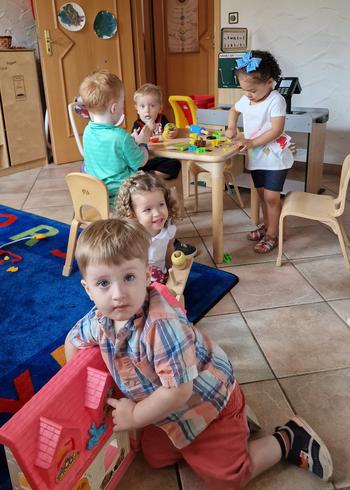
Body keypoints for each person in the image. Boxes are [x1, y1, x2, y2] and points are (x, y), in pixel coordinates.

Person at [65, 218, 333, 489]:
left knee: (227, 478)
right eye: (103, 283)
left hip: (207, 403)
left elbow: (178, 391)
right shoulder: (99, 319)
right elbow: (73, 341)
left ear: (147, 275)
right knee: (155, 458)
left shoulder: (161, 325)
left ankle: (288, 439)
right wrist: (77, 388)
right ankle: (239, 425)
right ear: (88, 289)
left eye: (129, 277)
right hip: (172, 411)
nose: (118, 294)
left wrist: (135, 417)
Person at [225, 51, 294, 253]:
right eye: (244, 90)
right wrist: (231, 127)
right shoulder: (246, 100)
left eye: (252, 90)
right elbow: (233, 110)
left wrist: (252, 141)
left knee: (272, 197)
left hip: (274, 156)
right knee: (263, 194)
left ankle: (273, 234)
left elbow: (276, 129)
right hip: (255, 155)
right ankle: (267, 226)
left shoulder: (276, 100)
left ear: (270, 82)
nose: (248, 94)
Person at [79, 70, 151, 207]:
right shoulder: (121, 137)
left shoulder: (87, 131)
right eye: (122, 103)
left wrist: (131, 142)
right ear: (114, 108)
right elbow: (141, 161)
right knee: (155, 188)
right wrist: (142, 143)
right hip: (122, 197)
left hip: (97, 197)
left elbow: (111, 152)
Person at [115, 171, 189, 283]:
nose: (157, 213)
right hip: (138, 278)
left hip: (160, 274)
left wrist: (172, 272)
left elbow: (169, 250)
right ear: (133, 213)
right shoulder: (132, 235)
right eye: (148, 209)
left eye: (161, 205)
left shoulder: (168, 229)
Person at [132, 83, 181, 181]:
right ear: (137, 109)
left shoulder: (162, 119)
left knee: (175, 164)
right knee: (133, 167)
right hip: (146, 160)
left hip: (162, 158)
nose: (147, 110)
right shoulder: (137, 125)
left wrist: (173, 133)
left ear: (160, 108)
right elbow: (134, 144)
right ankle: (147, 177)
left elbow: (169, 129)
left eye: (152, 106)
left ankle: (151, 177)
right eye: (142, 106)